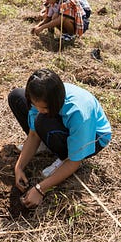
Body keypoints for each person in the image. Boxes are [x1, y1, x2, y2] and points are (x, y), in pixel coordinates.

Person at [8, 69, 112, 208]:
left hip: (95, 136)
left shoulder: (78, 113)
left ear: (55, 102)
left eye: (44, 108)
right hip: (60, 120)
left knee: (43, 121)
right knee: (16, 96)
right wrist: (19, 167)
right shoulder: (40, 99)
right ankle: (47, 143)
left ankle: (61, 157)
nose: (39, 110)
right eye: (36, 106)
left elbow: (74, 162)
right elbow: (33, 134)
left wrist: (40, 189)